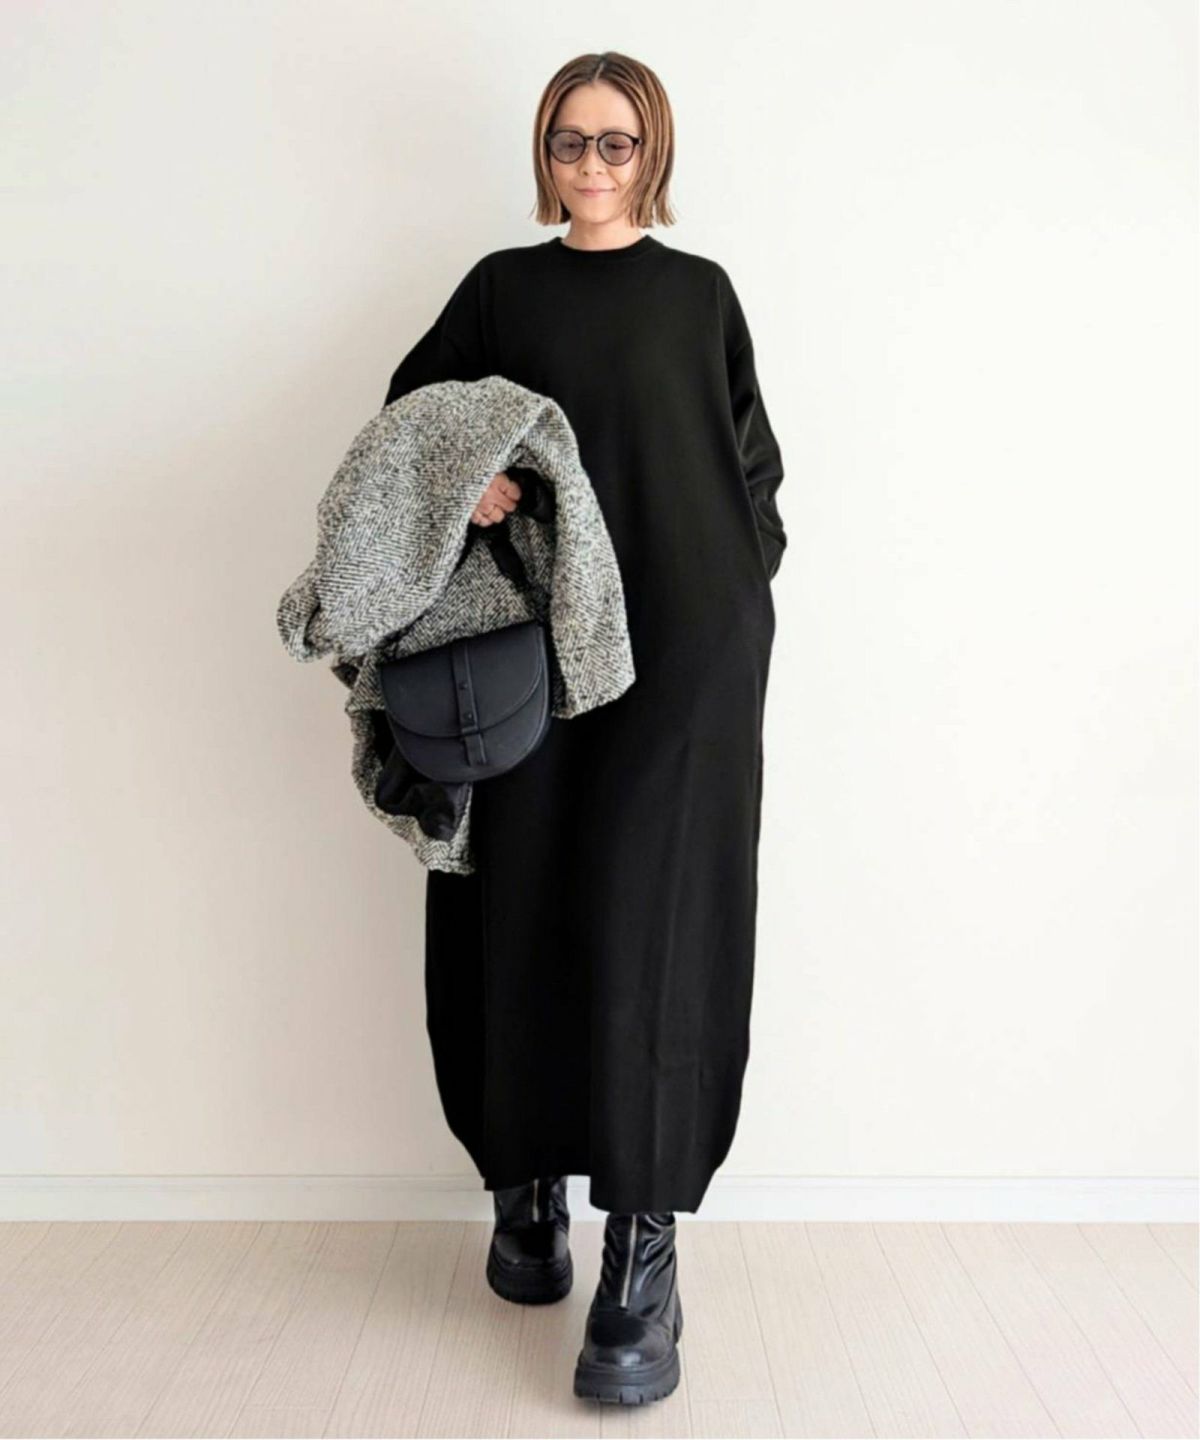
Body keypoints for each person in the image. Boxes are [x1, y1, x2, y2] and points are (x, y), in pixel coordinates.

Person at [382, 50, 786, 1407]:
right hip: (527, 665)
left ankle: (642, 1256)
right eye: (571, 141)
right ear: (544, 153)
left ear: (653, 152)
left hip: (689, 659)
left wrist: (732, 598)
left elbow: (754, 474)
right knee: (515, 908)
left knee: (662, 932)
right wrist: (470, 482)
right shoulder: (502, 291)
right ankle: (526, 1194)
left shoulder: (700, 294)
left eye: (618, 142)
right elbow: (408, 431)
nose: (594, 165)